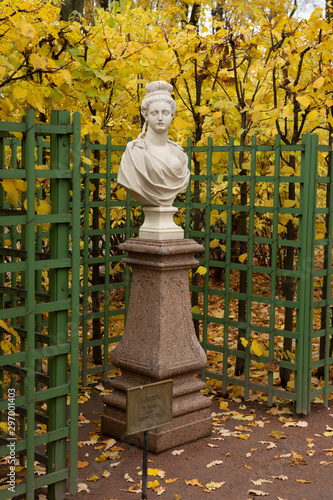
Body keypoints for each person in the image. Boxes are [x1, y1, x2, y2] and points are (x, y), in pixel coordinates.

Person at [117, 81, 190, 207]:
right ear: (146, 115)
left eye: (165, 113)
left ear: (172, 115)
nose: (160, 118)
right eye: (154, 113)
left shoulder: (179, 154)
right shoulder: (134, 152)